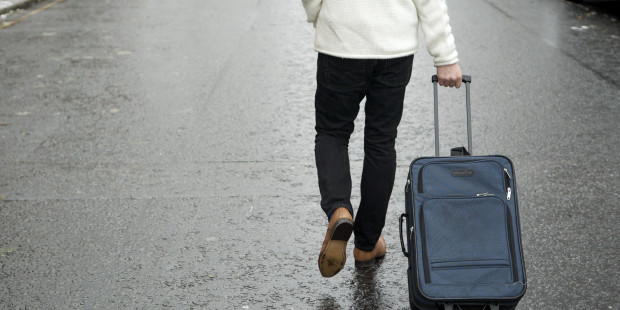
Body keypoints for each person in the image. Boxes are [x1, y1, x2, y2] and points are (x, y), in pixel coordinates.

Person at [302, 0, 463, 277]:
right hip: (394, 45)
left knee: (333, 132)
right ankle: (366, 244)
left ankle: (339, 209)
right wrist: (445, 57)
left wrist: (318, 13)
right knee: (381, 141)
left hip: (341, 38)